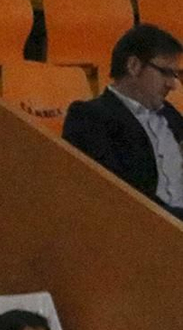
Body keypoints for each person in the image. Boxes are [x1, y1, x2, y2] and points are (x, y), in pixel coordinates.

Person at [63, 23, 183, 221]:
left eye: (175, 75)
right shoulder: (90, 117)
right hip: (145, 226)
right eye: (165, 73)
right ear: (134, 66)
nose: (173, 84)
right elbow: (118, 197)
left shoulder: (169, 115)